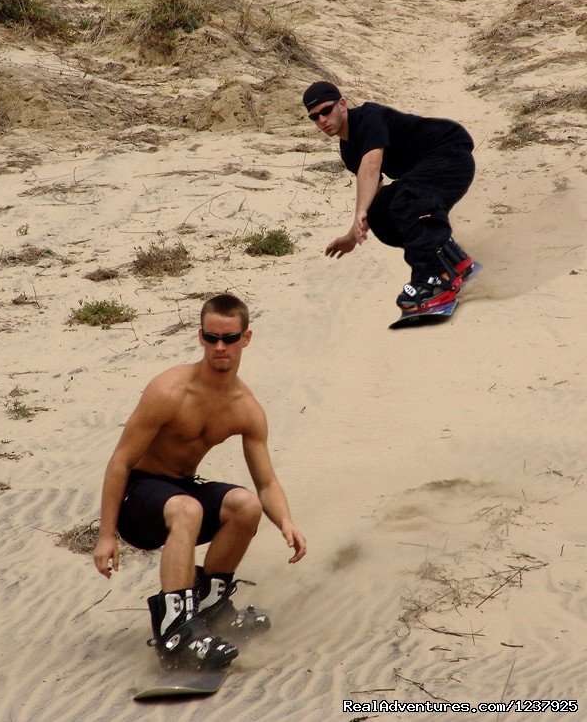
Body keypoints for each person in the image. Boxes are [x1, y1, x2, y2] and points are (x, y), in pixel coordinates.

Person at [93, 294, 306, 669]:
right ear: (201, 337)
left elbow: (266, 483)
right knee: (188, 508)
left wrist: (286, 521)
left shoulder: (245, 407)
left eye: (228, 338)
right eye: (211, 338)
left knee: (246, 506)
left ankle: (209, 609)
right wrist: (106, 535)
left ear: (246, 338)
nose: (219, 347)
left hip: (179, 490)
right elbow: (120, 461)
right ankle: (176, 632)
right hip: (138, 501)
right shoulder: (169, 391)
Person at [303, 80, 477, 312]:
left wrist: (359, 211)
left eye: (326, 110)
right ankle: (451, 256)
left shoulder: (369, 117)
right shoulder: (348, 150)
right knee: (381, 213)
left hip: (450, 155)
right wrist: (352, 236)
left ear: (342, 105)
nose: (322, 120)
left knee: (407, 202)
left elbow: (371, 166)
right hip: (426, 171)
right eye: (314, 117)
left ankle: (435, 281)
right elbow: (374, 191)